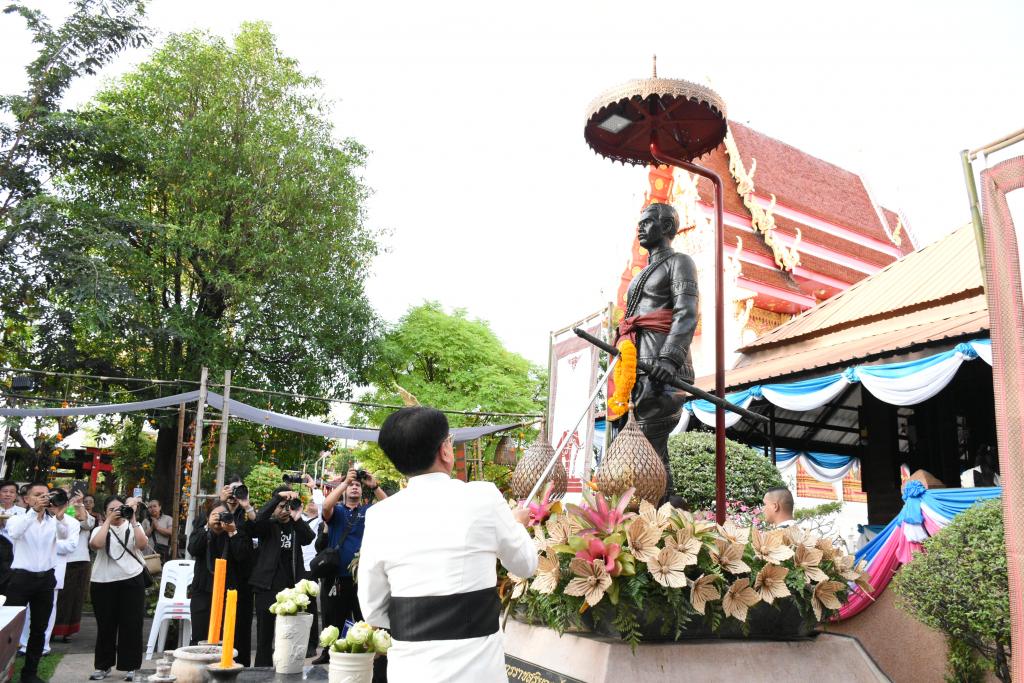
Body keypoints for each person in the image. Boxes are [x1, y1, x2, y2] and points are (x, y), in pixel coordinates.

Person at [358, 407, 536, 682]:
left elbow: (373, 608)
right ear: (445, 451)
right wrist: (517, 525)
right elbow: (526, 565)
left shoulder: (379, 516)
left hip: (411, 672)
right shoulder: (484, 498)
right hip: (480, 674)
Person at [610, 203, 699, 487]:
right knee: (638, 447)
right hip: (636, 366)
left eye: (647, 222)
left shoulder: (680, 262)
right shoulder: (640, 274)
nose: (640, 228)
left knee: (644, 446)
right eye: (640, 223)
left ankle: (653, 506)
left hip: (661, 370)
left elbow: (687, 312)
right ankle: (664, 504)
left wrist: (669, 359)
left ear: (667, 226)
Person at [312, 468, 387, 665]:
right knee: (334, 617)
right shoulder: (337, 511)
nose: (354, 487)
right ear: (344, 490)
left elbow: (388, 507)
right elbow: (326, 506)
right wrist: (344, 482)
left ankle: (365, 655)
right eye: (351, 485)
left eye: (358, 485)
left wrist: (375, 486)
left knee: (364, 618)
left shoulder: (368, 510)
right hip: (337, 576)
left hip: (363, 577)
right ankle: (331, 653)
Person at [4, 482, 78, 683]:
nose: (44, 498)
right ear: (27, 499)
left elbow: (65, 535)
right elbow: (15, 533)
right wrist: (34, 512)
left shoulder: (53, 521)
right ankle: (4, 670)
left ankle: (29, 673)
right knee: (10, 627)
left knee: (39, 628)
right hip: (21, 578)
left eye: (47, 494)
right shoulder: (17, 518)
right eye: (38, 495)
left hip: (46, 579)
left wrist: (60, 514)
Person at [246, 486, 315, 667]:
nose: (284, 510)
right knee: (264, 636)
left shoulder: (296, 525)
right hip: (266, 586)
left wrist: (297, 518)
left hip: (291, 589)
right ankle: (262, 672)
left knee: (290, 636)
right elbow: (257, 522)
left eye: (288, 506)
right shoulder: (267, 525)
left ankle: (287, 670)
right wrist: (277, 498)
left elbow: (309, 537)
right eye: (281, 506)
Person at [88, 495, 148, 681]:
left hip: (132, 580)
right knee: (105, 626)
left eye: (120, 509)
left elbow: (142, 544)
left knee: (132, 625)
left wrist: (133, 518)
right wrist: (107, 521)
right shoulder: (99, 529)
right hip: (103, 581)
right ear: (104, 512)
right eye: (111, 510)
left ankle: (131, 667)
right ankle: (103, 666)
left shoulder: (133, 526)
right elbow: (96, 544)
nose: (116, 513)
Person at [187, 504, 254, 665]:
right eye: (215, 515)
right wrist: (207, 528)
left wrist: (232, 531)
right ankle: (200, 667)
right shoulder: (201, 532)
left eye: (223, 515)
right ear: (207, 518)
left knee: (230, 634)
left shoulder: (237, 532)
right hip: (203, 590)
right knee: (201, 633)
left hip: (229, 591)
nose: (219, 518)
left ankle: (229, 666)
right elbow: (193, 549)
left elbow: (242, 556)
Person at [19, 487, 81, 657]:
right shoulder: (33, 517)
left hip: (54, 570)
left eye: (58, 500)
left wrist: (47, 544)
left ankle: (43, 646)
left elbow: (70, 546)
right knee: (26, 609)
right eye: (51, 498)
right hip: (30, 569)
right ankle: (23, 645)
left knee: (48, 610)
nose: (54, 503)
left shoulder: (71, 522)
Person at [54, 490, 96, 642]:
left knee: (76, 598)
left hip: (81, 560)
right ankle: (53, 629)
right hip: (61, 560)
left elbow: (86, 523)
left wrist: (80, 505)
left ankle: (68, 631)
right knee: (60, 597)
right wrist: (69, 507)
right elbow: (63, 525)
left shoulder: (88, 516)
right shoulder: (59, 516)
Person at [0, 478, 28, 594]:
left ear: (16, 495)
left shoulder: (23, 512)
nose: (8, 494)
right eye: (4, 491)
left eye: (12, 492)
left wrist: (7, 524)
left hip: (13, 554)